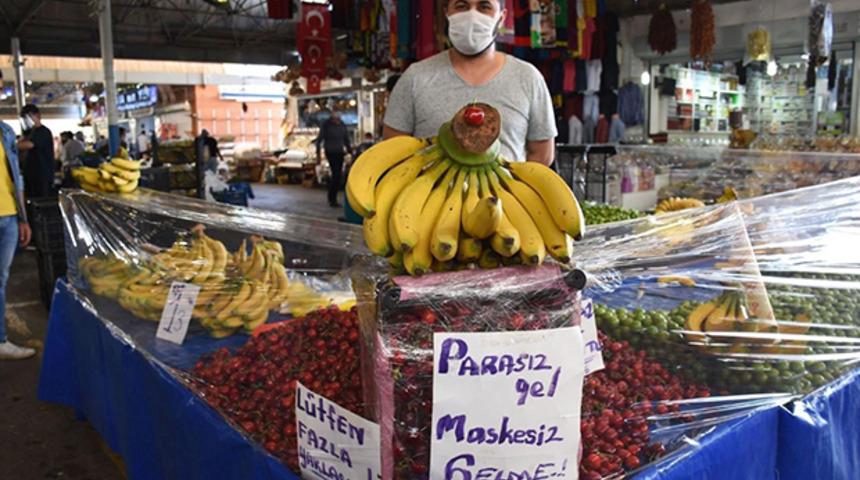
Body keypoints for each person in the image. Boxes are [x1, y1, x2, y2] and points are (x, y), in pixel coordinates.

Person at [383, 0, 557, 165]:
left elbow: (543, 154)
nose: (472, 15)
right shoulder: (415, 77)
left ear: (502, 18)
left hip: (506, 197)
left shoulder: (528, 77)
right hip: (430, 195)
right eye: (461, 5)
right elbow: (393, 152)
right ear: (446, 13)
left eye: (484, 6)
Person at [0, 119, 34, 359]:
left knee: (0, 281)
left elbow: (16, 177)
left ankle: (0, 341)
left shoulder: (5, 131)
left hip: (8, 216)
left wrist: (23, 218)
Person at [314, 111, 352, 207]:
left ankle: (332, 196)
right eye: (336, 117)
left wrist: (350, 151)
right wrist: (318, 155)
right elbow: (319, 140)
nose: (337, 119)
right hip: (331, 152)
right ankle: (332, 198)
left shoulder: (342, 125)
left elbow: (346, 138)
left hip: (340, 152)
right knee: (336, 175)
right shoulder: (326, 125)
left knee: (338, 175)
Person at [17, 104, 56, 198]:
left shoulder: (43, 132)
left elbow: (28, 145)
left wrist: (10, 146)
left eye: (28, 117)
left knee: (41, 205)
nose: (26, 121)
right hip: (30, 176)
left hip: (42, 177)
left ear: (38, 115)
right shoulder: (29, 133)